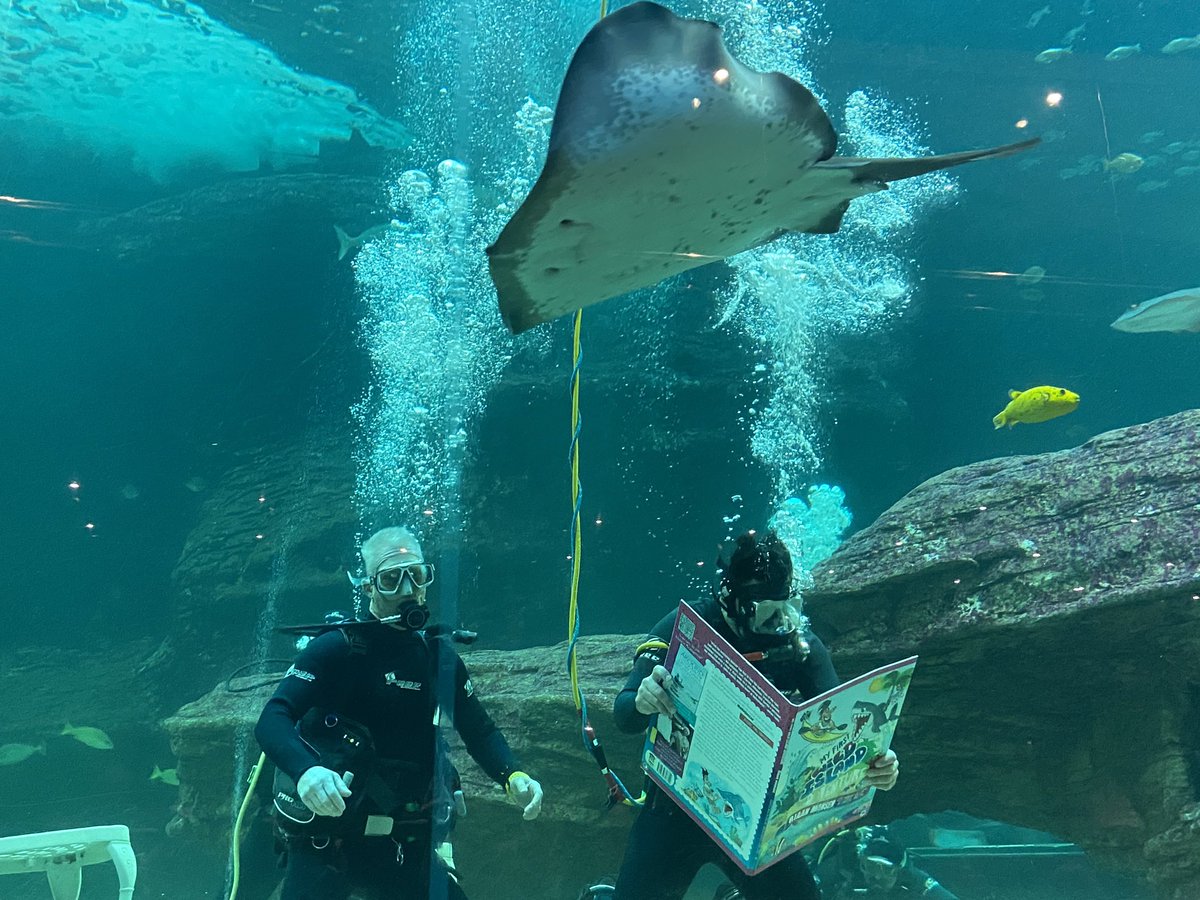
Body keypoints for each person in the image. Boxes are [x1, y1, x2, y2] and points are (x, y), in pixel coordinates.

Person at [255, 526, 544, 900]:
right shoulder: (337, 650)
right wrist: (306, 770)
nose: (407, 590)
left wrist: (513, 774)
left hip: (404, 841)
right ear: (369, 587)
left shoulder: (439, 660)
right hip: (328, 843)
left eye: (416, 575)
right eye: (391, 579)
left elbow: (480, 730)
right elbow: (273, 718)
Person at [610, 529, 900, 900]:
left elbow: (846, 737)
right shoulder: (686, 625)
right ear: (733, 601)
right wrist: (642, 700)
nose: (781, 623)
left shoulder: (801, 648)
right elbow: (624, 715)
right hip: (675, 811)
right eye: (768, 614)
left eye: (789, 607)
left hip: (757, 828)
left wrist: (878, 764)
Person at [813, 825, 959, 899]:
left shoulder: (913, 879)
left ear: (899, 868)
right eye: (870, 866)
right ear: (860, 860)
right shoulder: (839, 866)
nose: (877, 876)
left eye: (886, 870)